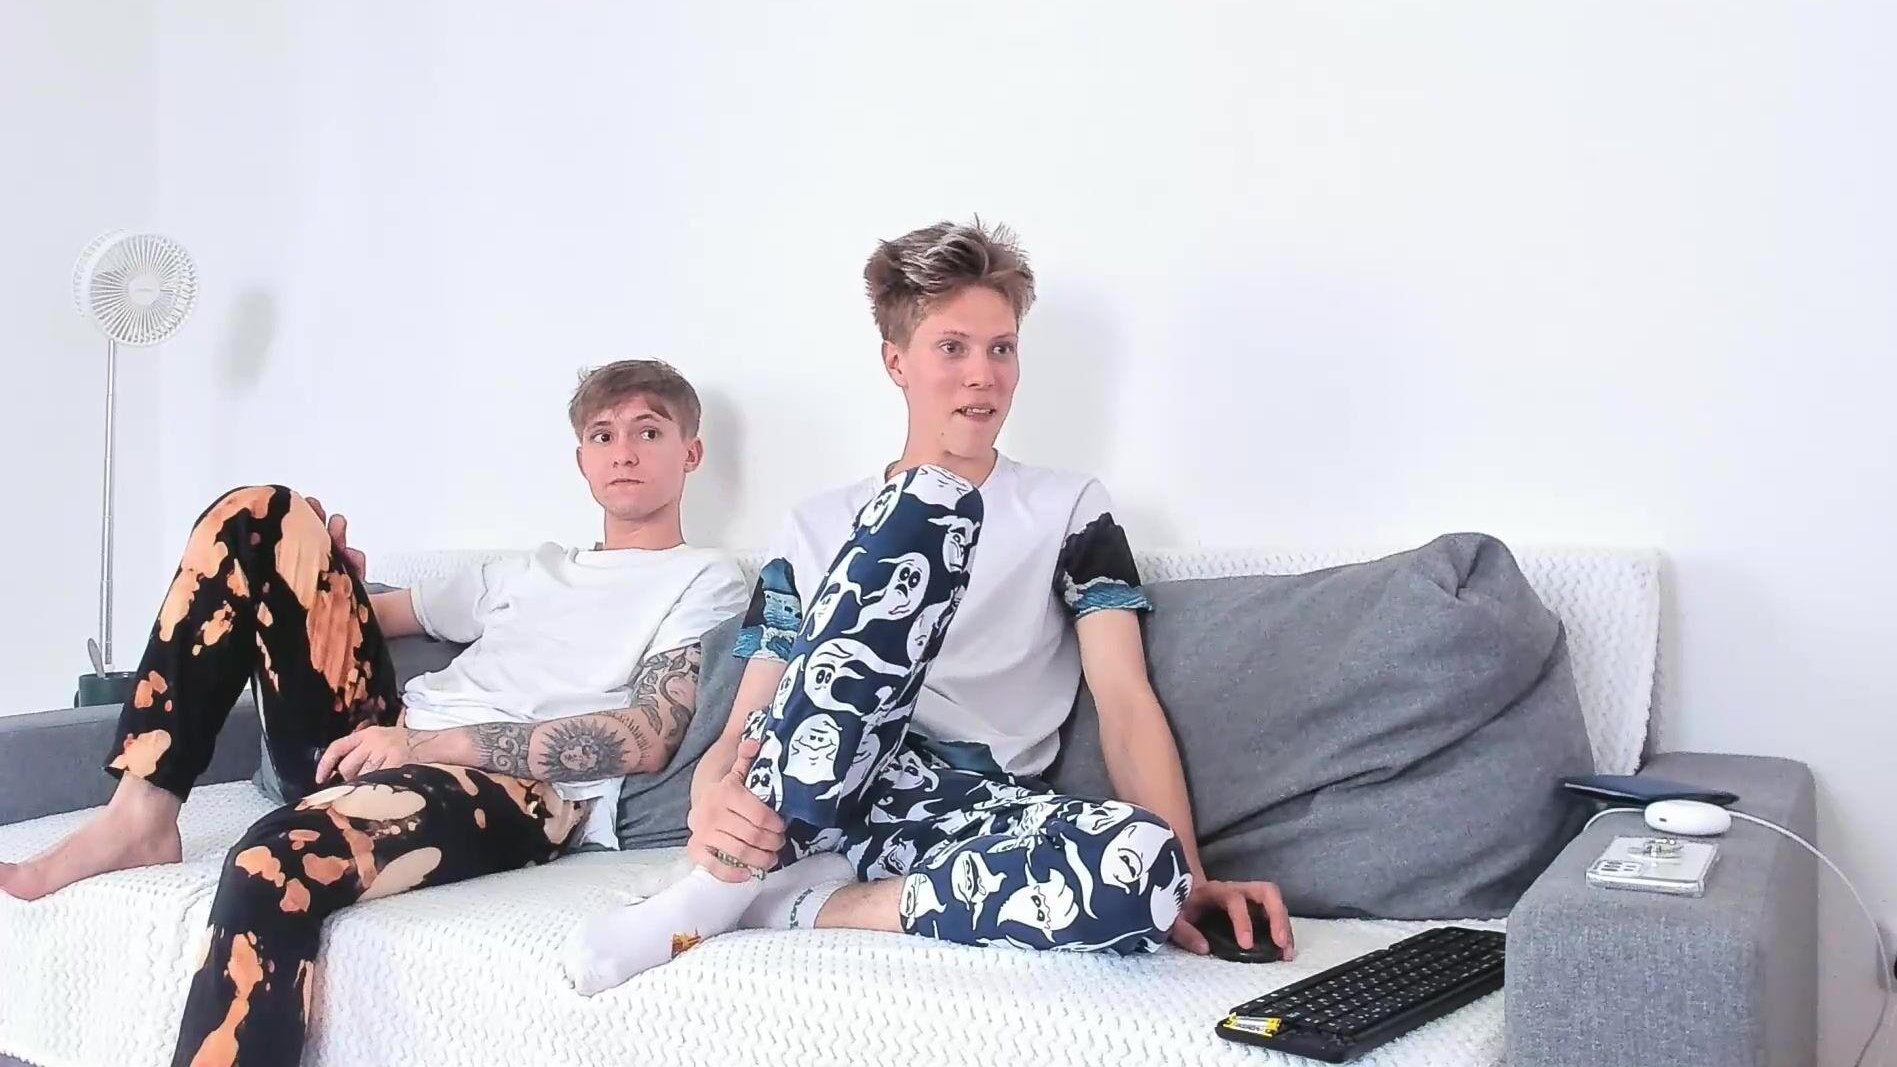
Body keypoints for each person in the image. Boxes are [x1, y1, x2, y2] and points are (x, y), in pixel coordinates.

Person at [565, 220, 1294, 995]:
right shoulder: (815, 522)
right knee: (923, 511)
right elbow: (752, 718)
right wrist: (713, 803)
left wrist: (1189, 875)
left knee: (1146, 868)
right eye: (953, 347)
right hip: (816, 787)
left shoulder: (1069, 506)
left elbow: (1124, 699)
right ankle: (723, 883)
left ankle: (798, 904)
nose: (983, 375)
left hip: (966, 815)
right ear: (896, 362)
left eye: (1001, 348)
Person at [0, 359, 748, 1067]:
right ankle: (141, 814)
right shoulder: (530, 568)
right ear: (581, 461)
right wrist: (324, 584)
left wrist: (428, 745)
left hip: (514, 789)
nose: (624, 452)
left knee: (274, 861)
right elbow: (364, 622)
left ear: (690, 452)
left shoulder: (703, 576)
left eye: (649, 431)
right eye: (603, 435)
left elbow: (643, 739)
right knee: (260, 515)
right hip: (371, 739)